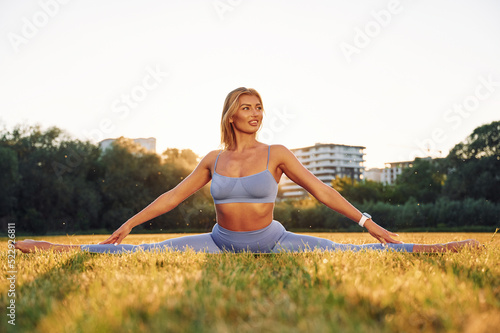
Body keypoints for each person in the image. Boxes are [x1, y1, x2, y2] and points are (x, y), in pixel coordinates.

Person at [15, 87, 480, 254]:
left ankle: (436, 246)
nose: (256, 113)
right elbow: (173, 197)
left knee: (364, 252)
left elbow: (321, 191)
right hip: (218, 242)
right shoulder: (212, 160)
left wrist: (370, 224)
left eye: (260, 107)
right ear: (230, 115)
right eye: (247, 107)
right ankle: (38, 245)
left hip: (274, 240)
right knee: (128, 252)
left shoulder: (277, 152)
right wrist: (129, 223)